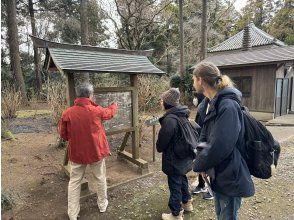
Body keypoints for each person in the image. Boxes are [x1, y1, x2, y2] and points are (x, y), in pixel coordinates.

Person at [192, 62, 255, 220]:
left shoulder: (228, 105)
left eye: (193, 79)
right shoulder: (209, 103)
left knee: (227, 216)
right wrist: (201, 161)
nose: (193, 83)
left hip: (230, 174)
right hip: (219, 172)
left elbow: (221, 145)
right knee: (221, 213)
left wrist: (200, 164)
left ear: (200, 80)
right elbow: (204, 135)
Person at [58, 83, 117, 220]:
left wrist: (72, 139)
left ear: (78, 95)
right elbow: (109, 113)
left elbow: (63, 134)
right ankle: (102, 205)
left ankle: (72, 214)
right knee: (100, 177)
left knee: (74, 181)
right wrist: (114, 105)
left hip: (77, 153)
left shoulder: (68, 112)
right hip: (96, 152)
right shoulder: (96, 110)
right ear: (90, 95)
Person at [156, 88, 194, 220]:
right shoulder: (182, 114)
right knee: (182, 178)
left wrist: (158, 144)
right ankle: (187, 202)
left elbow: (161, 144)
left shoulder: (169, 120)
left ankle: (176, 214)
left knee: (174, 184)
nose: (160, 103)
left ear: (167, 103)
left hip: (174, 159)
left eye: (162, 100)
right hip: (183, 156)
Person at [192, 92, 214, 200]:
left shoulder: (216, 104)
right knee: (200, 162)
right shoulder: (202, 106)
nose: (194, 99)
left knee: (211, 165)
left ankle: (212, 189)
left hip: (211, 140)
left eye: (195, 97)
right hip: (201, 138)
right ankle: (201, 185)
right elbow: (199, 122)